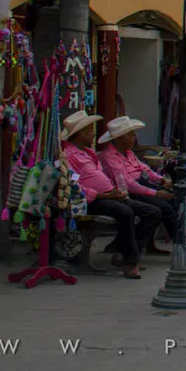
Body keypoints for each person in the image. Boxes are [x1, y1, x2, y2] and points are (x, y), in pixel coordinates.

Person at [61, 112, 159, 279]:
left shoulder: (88, 153)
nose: (93, 134)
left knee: (152, 211)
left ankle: (122, 250)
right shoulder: (69, 156)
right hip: (91, 200)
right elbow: (74, 185)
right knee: (125, 212)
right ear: (81, 134)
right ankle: (130, 261)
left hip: (110, 195)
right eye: (90, 131)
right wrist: (102, 195)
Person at [98, 116, 175, 254]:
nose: (134, 138)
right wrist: (155, 193)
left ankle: (141, 245)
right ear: (121, 138)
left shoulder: (128, 153)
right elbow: (129, 184)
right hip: (128, 191)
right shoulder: (109, 157)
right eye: (131, 134)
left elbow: (143, 168)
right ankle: (132, 248)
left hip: (141, 184)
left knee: (174, 200)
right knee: (163, 208)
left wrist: (160, 179)